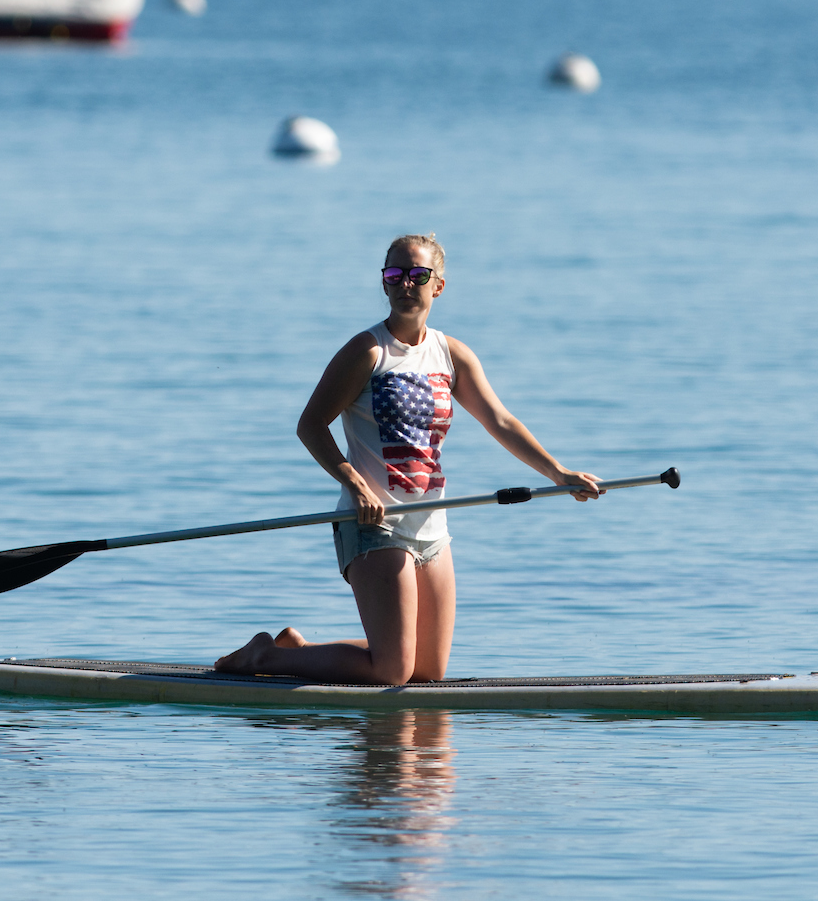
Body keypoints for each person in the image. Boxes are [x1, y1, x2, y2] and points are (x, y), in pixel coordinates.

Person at [216, 234, 603, 684]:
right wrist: (354, 482)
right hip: (373, 525)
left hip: (431, 527)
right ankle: (264, 658)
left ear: (437, 286)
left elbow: (499, 420)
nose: (405, 285)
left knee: (427, 672)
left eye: (417, 276)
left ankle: (300, 651)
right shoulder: (367, 352)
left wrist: (558, 473)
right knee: (393, 671)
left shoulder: (450, 354)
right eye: (394, 275)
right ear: (384, 284)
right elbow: (310, 425)